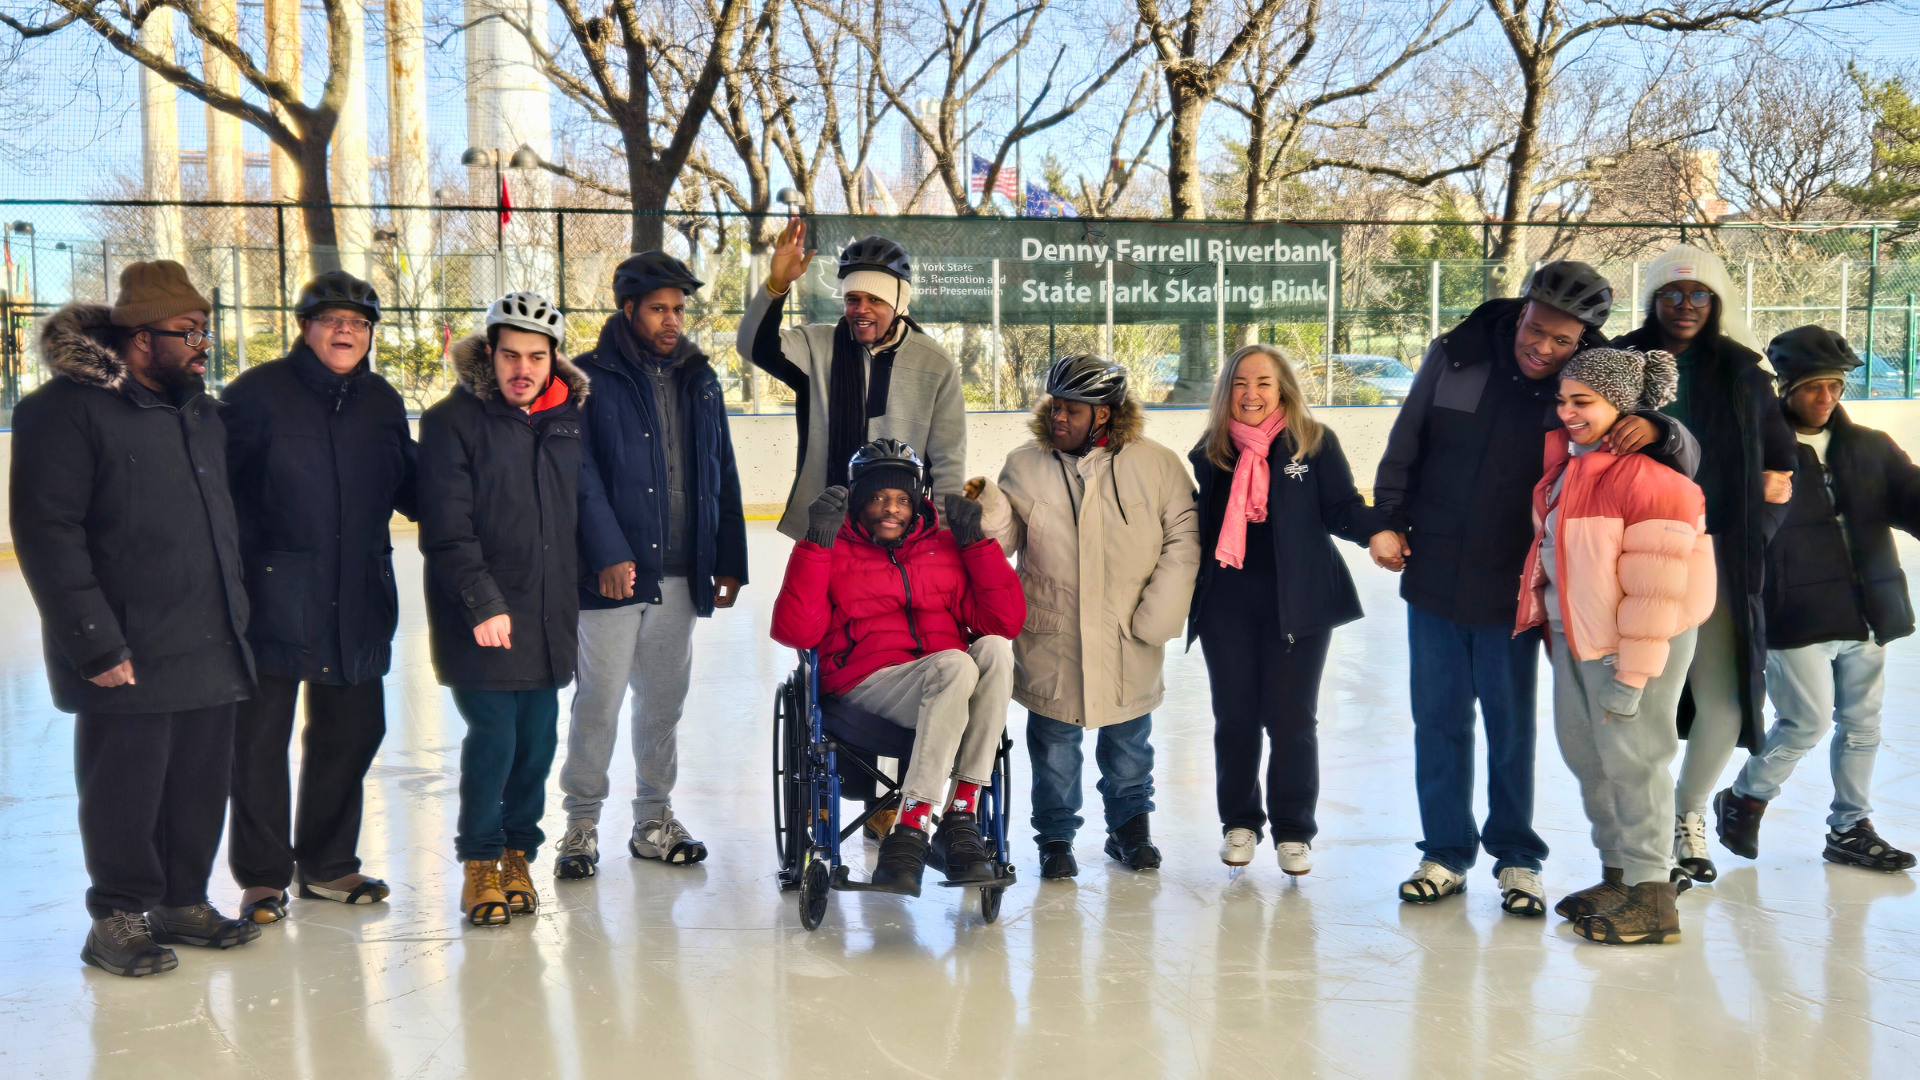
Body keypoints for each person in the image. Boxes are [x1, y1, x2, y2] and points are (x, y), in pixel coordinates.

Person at [1372, 261, 1696, 914]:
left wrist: (1663, 431)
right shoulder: (1457, 354)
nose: (1544, 349)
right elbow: (1407, 439)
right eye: (1538, 330)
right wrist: (1387, 517)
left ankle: (1517, 858)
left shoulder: (1589, 380)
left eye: (1562, 342)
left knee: (1510, 726)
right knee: (1437, 721)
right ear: (1523, 308)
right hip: (1434, 570)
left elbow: (1679, 459)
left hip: (1517, 586)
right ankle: (1444, 852)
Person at [13, 261, 259, 976]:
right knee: (125, 787)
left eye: (204, 329)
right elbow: (48, 533)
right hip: (126, 644)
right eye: (187, 331)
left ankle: (182, 901)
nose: (201, 344)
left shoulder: (197, 413)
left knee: (199, 781)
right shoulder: (62, 411)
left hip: (210, 634)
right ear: (138, 337)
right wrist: (93, 642)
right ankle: (116, 917)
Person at [221, 270, 417, 924]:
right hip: (272, 598)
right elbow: (215, 491)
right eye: (332, 319)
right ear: (304, 327)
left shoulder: (382, 403)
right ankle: (262, 878)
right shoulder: (255, 395)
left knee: (355, 729)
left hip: (357, 596)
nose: (346, 331)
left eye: (359, 323)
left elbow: (412, 486)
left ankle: (328, 865)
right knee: (257, 744)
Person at [969, 354, 1200, 879]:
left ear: (1105, 414)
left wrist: (1155, 619)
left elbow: (1184, 541)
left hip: (1128, 633)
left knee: (1128, 745)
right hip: (1053, 635)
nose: (1059, 418)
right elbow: (1004, 544)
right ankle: (1055, 838)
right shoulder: (1025, 464)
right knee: (1053, 748)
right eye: (1055, 406)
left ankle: (1129, 830)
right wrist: (990, 507)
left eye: (1073, 409)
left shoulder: (1157, 465)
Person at [556, 252, 748, 878]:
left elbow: (721, 470)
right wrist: (608, 554)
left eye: (679, 309)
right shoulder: (584, 378)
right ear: (628, 309)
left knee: (663, 704)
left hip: (678, 568)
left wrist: (727, 557)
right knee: (600, 703)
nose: (673, 320)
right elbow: (579, 479)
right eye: (660, 309)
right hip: (612, 574)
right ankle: (580, 826)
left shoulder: (700, 377)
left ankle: (652, 819)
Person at [1613, 244, 1797, 884]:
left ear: (1715, 303)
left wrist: (1752, 536)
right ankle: (1647, 825)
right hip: (1638, 554)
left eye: (1697, 295)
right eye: (1671, 294)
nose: (1685, 306)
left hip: (1717, 552)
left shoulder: (1745, 372)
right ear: (1653, 301)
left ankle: (1688, 812)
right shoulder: (1623, 361)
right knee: (1652, 697)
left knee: (1721, 695)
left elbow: (1782, 468)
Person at [1516, 347, 1714, 945]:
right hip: (1580, 643)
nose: (1568, 411)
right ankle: (1620, 872)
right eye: (1563, 400)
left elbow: (1655, 592)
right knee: (1589, 759)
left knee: (1636, 759)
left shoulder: (1657, 483)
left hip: (1634, 646)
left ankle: (1654, 894)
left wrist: (1633, 675)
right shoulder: (1566, 476)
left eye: (1584, 401)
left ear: (1621, 407)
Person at [769, 439, 1026, 896]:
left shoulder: (943, 548)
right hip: (864, 687)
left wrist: (977, 547)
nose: (892, 509)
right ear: (857, 500)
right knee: (955, 665)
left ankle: (960, 812)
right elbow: (797, 632)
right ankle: (911, 826)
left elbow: (1002, 623)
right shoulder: (835, 550)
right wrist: (815, 544)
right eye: (878, 498)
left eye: (902, 499)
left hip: (945, 685)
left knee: (994, 650)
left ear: (918, 501)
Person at [1714, 326, 1920, 871]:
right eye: (1812, 387)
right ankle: (1746, 796)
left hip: (1869, 612)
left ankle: (1850, 826)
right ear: (1784, 387)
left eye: (1833, 386)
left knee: (1862, 725)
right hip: (1793, 614)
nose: (1825, 398)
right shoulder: (1756, 452)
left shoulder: (1870, 448)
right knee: (1804, 722)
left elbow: (1913, 501)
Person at [1188, 345, 1395, 878]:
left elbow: (1342, 507)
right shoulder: (1211, 452)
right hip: (1227, 604)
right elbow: (1191, 530)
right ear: (1226, 391)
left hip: (1299, 601)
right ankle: (1239, 822)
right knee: (1234, 717)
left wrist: (1376, 531)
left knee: (1291, 718)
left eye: (1263, 382)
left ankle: (1294, 830)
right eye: (1240, 383)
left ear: (1282, 390)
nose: (1251, 394)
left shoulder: (1313, 444)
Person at [418, 292, 586, 926]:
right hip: (480, 613)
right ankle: (480, 864)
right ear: (490, 353)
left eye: (536, 357)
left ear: (552, 360)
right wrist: (483, 602)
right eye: (511, 354)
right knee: (494, 740)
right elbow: (446, 529)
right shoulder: (451, 421)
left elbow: (582, 505)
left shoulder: (568, 418)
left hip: (548, 614)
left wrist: (619, 562)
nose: (523, 368)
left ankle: (519, 853)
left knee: (537, 745)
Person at [736, 219, 967, 539]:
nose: (861, 309)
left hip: (899, 527)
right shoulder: (817, 346)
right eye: (852, 299)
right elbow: (753, 346)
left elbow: (948, 463)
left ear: (899, 302)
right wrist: (776, 286)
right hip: (826, 529)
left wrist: (942, 537)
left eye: (875, 299)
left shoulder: (935, 364)